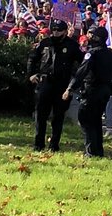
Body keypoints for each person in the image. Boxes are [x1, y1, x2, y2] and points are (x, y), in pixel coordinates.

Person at [67, 25, 112, 158]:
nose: (88, 38)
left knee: (86, 120)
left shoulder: (92, 53)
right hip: (105, 90)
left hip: (92, 90)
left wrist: (70, 87)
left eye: (90, 35)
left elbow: (82, 72)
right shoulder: (111, 53)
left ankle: (90, 152)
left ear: (96, 38)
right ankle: (98, 150)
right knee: (96, 121)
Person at [27, 19, 83, 152]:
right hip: (45, 82)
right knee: (41, 115)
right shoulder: (45, 43)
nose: (56, 33)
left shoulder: (72, 45)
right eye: (54, 30)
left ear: (64, 31)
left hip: (62, 84)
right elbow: (32, 58)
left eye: (59, 30)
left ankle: (54, 145)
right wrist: (31, 74)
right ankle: (38, 144)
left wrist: (74, 82)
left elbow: (82, 64)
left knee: (58, 116)